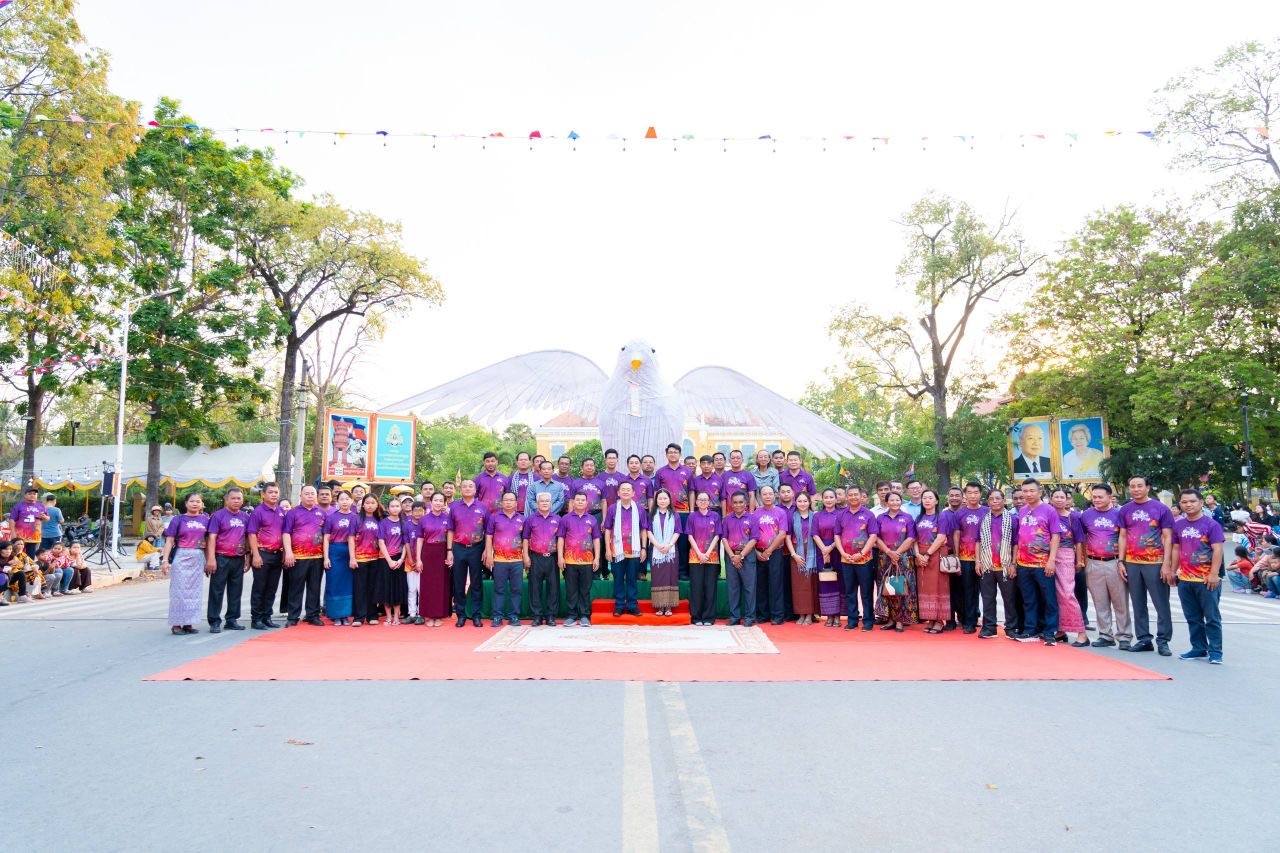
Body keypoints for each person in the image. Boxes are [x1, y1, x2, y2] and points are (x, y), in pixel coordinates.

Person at [1118, 475, 1175, 656]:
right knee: (1138, 603)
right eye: (1132, 486)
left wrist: (1166, 564)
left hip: (1155, 562)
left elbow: (1167, 537)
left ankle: (1163, 640)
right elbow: (1123, 536)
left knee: (1161, 603)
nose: (1136, 489)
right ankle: (1144, 639)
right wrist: (1121, 561)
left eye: (1139, 486)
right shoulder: (1125, 509)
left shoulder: (1161, 508)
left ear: (1148, 487)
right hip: (1132, 563)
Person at [1172, 489, 1224, 664]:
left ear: (1201, 503)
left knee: (1212, 618)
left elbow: (1218, 550)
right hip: (1185, 580)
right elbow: (1176, 549)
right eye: (1184, 502)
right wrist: (1172, 571)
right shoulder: (1178, 525)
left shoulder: (1211, 525)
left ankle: (1215, 652)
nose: (1188, 505)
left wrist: (1214, 574)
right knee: (1193, 618)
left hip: (1206, 580)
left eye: (1192, 501)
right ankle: (1198, 648)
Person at [1079, 483, 1132, 649]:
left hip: (1115, 562)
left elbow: (1127, 537)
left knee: (1120, 602)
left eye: (1100, 497)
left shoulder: (1120, 514)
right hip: (1093, 562)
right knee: (1099, 601)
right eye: (1094, 497)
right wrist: (1084, 560)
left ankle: (1124, 636)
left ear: (1110, 497)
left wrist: (1122, 560)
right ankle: (1105, 635)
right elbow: (1082, 539)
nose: (1096, 500)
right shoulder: (1086, 515)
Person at [1013, 479, 1062, 645]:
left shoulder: (1049, 510)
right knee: (1029, 599)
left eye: (1032, 491)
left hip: (1043, 563)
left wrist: (1051, 560)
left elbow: (1056, 535)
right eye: (1025, 491)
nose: (1028, 494)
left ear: (1039, 492)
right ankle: (1030, 630)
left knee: (1048, 599)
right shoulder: (1022, 510)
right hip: (1023, 563)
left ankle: (1049, 632)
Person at [162, 492, 209, 635]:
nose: (195, 504)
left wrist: (208, 561)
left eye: (198, 501)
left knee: (195, 592)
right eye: (192, 501)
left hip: (198, 557)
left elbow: (208, 542)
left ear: (202, 504)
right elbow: (169, 541)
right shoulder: (178, 519)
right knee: (178, 592)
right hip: (182, 556)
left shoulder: (206, 520)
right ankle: (176, 624)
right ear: (186, 503)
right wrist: (165, 560)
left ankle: (189, 623)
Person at [204, 488, 250, 633]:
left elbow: (248, 537)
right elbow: (211, 538)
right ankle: (214, 621)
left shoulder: (245, 517)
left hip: (238, 558)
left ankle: (232, 619)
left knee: (235, 590)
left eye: (239, 498)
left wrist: (248, 557)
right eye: (233, 498)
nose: (236, 501)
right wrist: (211, 558)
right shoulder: (218, 516)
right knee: (216, 591)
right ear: (226, 499)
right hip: (221, 558)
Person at [1049, 487, 1089, 647]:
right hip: (1048, 555)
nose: (1059, 499)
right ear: (1051, 499)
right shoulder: (1048, 514)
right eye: (1056, 497)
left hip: (1066, 555)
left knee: (1067, 594)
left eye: (1062, 497)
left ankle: (1082, 633)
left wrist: (1079, 561)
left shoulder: (1073, 517)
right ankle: (1061, 630)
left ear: (1067, 500)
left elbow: (1079, 541)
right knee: (1055, 595)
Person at [977, 488, 1019, 639]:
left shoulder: (1012, 519)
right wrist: (978, 561)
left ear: (1003, 500)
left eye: (998, 498)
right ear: (988, 502)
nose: (995, 501)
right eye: (991, 499)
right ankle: (989, 628)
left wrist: (1013, 563)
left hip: (1006, 565)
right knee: (987, 598)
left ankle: (1011, 628)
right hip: (987, 564)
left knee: (1009, 599)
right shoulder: (983, 519)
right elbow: (978, 541)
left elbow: (1016, 543)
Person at [283, 486, 328, 627]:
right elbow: (286, 533)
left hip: (317, 556)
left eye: (312, 494)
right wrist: (288, 552)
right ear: (301, 496)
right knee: (296, 587)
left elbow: (327, 535)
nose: (309, 496)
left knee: (314, 587)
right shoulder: (293, 512)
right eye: (306, 494)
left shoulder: (322, 513)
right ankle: (293, 616)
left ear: (316, 496)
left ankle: (312, 615)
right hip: (298, 556)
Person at [836, 486, 879, 631]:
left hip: (864, 560)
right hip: (846, 559)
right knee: (850, 592)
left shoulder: (868, 514)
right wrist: (843, 553)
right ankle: (852, 620)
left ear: (861, 496)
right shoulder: (841, 515)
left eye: (856, 494)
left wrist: (862, 553)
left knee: (866, 592)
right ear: (846, 497)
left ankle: (868, 621)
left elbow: (873, 536)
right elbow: (837, 535)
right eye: (850, 495)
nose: (853, 497)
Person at [447, 479, 488, 627]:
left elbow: (488, 531)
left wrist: (486, 549)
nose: (467, 488)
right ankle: (461, 615)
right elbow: (450, 530)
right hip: (459, 548)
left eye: (471, 486)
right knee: (459, 582)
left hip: (477, 548)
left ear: (475, 489)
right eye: (464, 486)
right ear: (461, 489)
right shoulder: (454, 507)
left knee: (476, 582)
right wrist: (449, 550)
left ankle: (476, 615)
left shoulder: (483, 507)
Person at [604, 481, 649, 617]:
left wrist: (643, 548)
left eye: (628, 489)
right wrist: (607, 550)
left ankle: (632, 605)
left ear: (633, 493)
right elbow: (607, 530)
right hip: (617, 551)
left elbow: (644, 530)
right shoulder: (612, 509)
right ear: (618, 493)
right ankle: (619, 606)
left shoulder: (640, 509)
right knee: (618, 579)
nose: (625, 492)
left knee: (632, 579)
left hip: (634, 551)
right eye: (622, 489)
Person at [246, 482, 285, 631]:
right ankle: (256, 619)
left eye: (276, 492)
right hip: (262, 553)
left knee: (272, 588)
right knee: (259, 587)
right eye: (271, 492)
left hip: (277, 554)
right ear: (263, 494)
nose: (274, 495)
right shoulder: (258, 512)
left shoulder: (281, 511)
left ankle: (267, 617)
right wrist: (255, 555)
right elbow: (251, 534)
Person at [876, 492, 918, 631]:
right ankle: (890, 619)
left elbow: (911, 538)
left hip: (904, 558)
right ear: (887, 502)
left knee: (901, 588)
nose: (895, 503)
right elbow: (876, 537)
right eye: (892, 500)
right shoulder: (881, 518)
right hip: (885, 557)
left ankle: (901, 620)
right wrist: (889, 552)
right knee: (887, 588)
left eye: (897, 500)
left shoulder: (907, 517)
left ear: (901, 501)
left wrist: (897, 553)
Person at [914, 488, 953, 634]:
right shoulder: (919, 518)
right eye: (925, 498)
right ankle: (930, 618)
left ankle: (939, 620)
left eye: (930, 498)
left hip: (936, 554)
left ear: (936, 501)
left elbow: (941, 537)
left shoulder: (941, 517)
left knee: (938, 586)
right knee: (925, 587)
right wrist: (918, 554)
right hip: (921, 555)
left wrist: (928, 554)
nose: (927, 500)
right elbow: (914, 538)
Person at [559, 492, 601, 627]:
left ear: (587, 503)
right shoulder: (565, 519)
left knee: (585, 590)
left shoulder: (592, 519)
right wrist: (560, 557)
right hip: (570, 560)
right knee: (571, 589)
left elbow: (596, 539)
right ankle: (571, 615)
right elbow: (561, 538)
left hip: (587, 561)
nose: (580, 502)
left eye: (583, 500)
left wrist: (597, 558)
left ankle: (584, 615)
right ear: (573, 502)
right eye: (578, 500)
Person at [484, 490, 525, 627]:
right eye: (506, 500)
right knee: (499, 589)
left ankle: (514, 616)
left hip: (517, 560)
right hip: (499, 560)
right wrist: (489, 554)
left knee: (516, 590)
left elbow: (525, 540)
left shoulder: (522, 519)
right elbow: (488, 536)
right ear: (501, 502)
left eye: (511, 500)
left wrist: (525, 557)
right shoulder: (494, 517)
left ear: (516, 502)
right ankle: (497, 616)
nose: (508, 502)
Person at [751, 485, 790, 625]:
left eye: (770, 494)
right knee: (761, 584)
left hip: (775, 552)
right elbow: (751, 535)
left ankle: (777, 615)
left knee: (776, 584)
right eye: (764, 494)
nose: (768, 496)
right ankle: (763, 615)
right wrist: (756, 552)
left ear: (775, 495)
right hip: (759, 553)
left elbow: (782, 534)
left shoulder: (780, 512)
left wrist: (769, 550)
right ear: (760, 497)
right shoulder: (755, 514)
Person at [522, 491, 561, 626]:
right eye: (542, 501)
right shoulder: (530, 519)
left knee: (553, 587)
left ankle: (551, 616)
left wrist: (560, 557)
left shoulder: (558, 519)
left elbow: (561, 539)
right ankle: (537, 616)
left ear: (551, 504)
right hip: (535, 557)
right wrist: (526, 556)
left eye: (547, 501)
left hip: (552, 557)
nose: (544, 503)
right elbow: (525, 538)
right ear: (537, 504)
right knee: (535, 587)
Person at [654, 443, 693, 580]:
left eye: (675, 452)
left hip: (684, 512)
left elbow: (691, 492)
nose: (673, 454)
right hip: (665, 512)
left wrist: (691, 511)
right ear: (666, 455)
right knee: (665, 541)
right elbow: (656, 492)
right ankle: (666, 570)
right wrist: (656, 510)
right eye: (670, 452)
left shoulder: (687, 472)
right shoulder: (660, 472)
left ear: (680, 454)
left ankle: (682, 571)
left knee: (683, 542)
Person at [413, 493, 452, 626]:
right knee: (427, 585)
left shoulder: (448, 518)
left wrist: (449, 552)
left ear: (444, 503)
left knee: (441, 584)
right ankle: (428, 615)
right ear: (431, 502)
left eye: (441, 501)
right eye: (436, 500)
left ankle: (439, 615)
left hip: (442, 552)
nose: (438, 503)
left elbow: (450, 536)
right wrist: (418, 559)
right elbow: (419, 539)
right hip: (427, 553)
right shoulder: (423, 519)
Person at [721, 492, 757, 626]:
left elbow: (754, 539)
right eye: (735, 502)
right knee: (733, 588)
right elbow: (724, 538)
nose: (738, 505)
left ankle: (749, 617)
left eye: (741, 502)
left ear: (746, 503)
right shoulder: (727, 519)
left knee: (749, 588)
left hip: (747, 556)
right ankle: (734, 617)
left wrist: (741, 556)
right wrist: (732, 556)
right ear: (731, 504)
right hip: (731, 557)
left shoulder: (752, 518)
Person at [322, 490, 357, 625]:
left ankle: (346, 614)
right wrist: (326, 557)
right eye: (341, 499)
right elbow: (326, 539)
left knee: (348, 584)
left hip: (351, 553)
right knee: (334, 583)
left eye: (347, 499)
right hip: (335, 552)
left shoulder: (355, 517)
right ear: (337, 501)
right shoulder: (331, 517)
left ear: (351, 501)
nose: (344, 502)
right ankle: (335, 615)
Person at [686, 490, 721, 626]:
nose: (702, 502)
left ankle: (709, 617)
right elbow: (690, 536)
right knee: (696, 586)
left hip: (711, 556)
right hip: (695, 557)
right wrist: (700, 554)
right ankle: (696, 617)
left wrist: (707, 553)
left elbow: (717, 536)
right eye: (700, 499)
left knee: (710, 586)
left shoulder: (715, 516)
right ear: (696, 502)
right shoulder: (692, 516)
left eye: (705, 499)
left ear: (709, 502)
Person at [350, 494, 385, 626]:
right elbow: (351, 539)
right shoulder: (356, 519)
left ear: (377, 505)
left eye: (373, 503)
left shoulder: (380, 520)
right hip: (360, 558)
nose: (370, 505)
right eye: (367, 503)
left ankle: (372, 615)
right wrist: (352, 558)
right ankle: (359, 617)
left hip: (376, 558)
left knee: (373, 588)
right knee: (360, 588)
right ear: (363, 505)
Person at [786, 491, 820, 625]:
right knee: (798, 585)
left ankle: (810, 615)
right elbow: (787, 537)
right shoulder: (792, 517)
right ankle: (801, 614)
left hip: (812, 552)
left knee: (811, 584)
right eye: (799, 501)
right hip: (796, 552)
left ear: (809, 502)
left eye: (805, 501)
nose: (802, 504)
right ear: (796, 502)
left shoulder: (815, 516)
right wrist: (794, 555)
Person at [649, 489, 682, 616]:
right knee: (658, 577)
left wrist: (669, 545)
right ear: (656, 500)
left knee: (670, 577)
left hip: (671, 551)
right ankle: (659, 606)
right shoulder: (652, 515)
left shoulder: (675, 514)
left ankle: (668, 606)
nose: (662, 501)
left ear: (669, 500)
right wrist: (657, 545)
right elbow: (649, 531)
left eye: (665, 498)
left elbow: (677, 531)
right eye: (660, 498)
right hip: (656, 550)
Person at [814, 488, 844, 627]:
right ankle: (829, 615)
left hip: (838, 550)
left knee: (839, 581)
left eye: (831, 497)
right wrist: (824, 550)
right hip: (822, 552)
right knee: (825, 582)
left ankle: (837, 616)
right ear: (822, 499)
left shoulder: (842, 514)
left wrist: (830, 548)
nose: (829, 500)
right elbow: (815, 534)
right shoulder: (817, 515)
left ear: (836, 499)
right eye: (826, 497)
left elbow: (843, 533)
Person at [376, 497, 408, 626]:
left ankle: (396, 617)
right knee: (386, 588)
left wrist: (401, 559)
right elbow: (381, 542)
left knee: (398, 588)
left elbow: (406, 543)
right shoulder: (383, 523)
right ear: (388, 508)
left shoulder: (404, 523)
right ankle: (388, 616)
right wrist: (389, 560)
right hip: (385, 559)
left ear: (401, 508)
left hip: (399, 559)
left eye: (397, 506)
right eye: (392, 506)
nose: (395, 508)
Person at [403, 499, 424, 625]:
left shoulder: (426, 524)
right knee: (411, 589)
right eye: (415, 510)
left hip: (423, 562)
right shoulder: (407, 525)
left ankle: (421, 613)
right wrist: (410, 559)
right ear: (411, 512)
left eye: (420, 510)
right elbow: (406, 542)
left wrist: (420, 560)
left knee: (421, 589)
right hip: (410, 562)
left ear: (425, 511)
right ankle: (412, 614)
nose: (418, 513)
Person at [9, 487, 47, 557]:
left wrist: (44, 517)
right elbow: (12, 520)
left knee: (31, 557)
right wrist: (13, 533)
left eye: (34, 494)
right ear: (25, 495)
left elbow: (47, 518)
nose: (32, 495)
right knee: (17, 555)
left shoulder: (41, 506)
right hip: (20, 536)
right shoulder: (18, 506)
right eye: (30, 494)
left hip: (34, 536)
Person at [721, 450, 757, 516]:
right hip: (729, 514)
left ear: (742, 460)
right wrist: (724, 516)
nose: (735, 460)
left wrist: (751, 513)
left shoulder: (748, 475)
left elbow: (751, 496)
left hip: (745, 513)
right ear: (729, 460)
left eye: (738, 458)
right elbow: (723, 498)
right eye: (733, 458)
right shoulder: (724, 476)